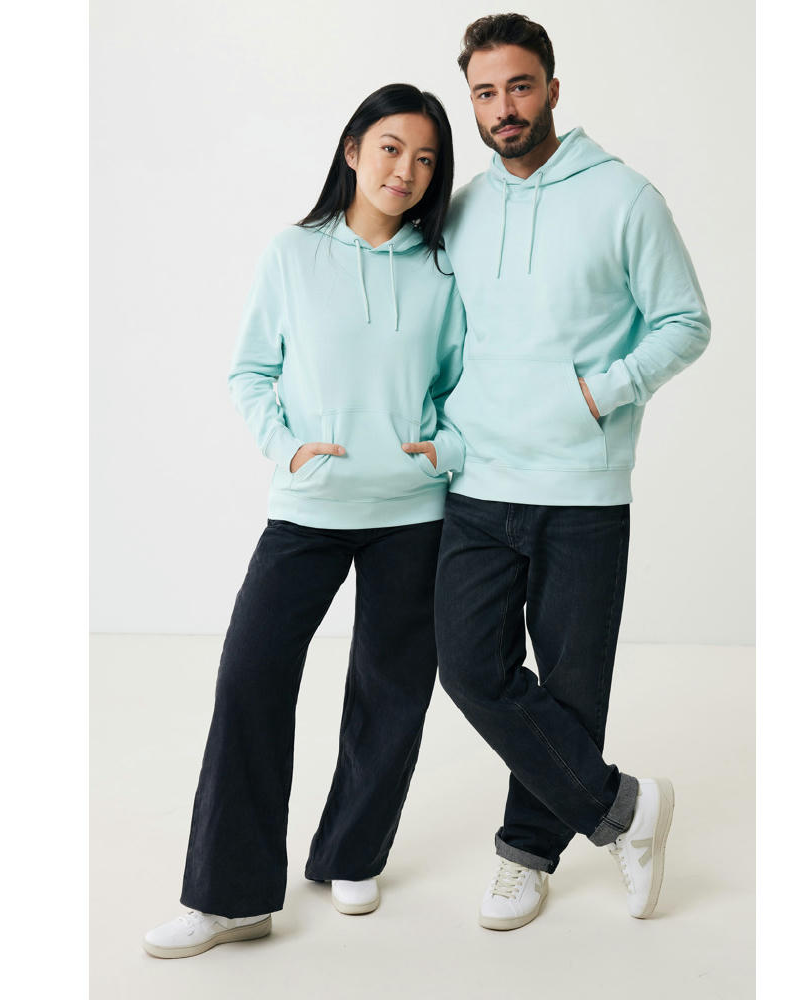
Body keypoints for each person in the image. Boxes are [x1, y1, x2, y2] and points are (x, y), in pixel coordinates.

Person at [143, 83, 465, 959]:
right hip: (311, 506)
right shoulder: (293, 253)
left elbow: (465, 382)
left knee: (392, 687)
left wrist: (444, 447)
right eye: (391, 148)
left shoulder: (442, 270)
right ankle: (230, 897)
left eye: (426, 158)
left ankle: (352, 853)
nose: (406, 170)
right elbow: (251, 370)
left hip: (413, 510)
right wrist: (285, 448)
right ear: (353, 149)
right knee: (250, 679)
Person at [434, 14, 711, 931]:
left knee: (570, 685)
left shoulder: (625, 197)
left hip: (583, 487)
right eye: (484, 93)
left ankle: (526, 853)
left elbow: (685, 321)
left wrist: (601, 394)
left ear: (553, 87)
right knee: (469, 667)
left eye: (519, 86)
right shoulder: (462, 209)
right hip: (480, 481)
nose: (503, 108)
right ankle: (626, 809)